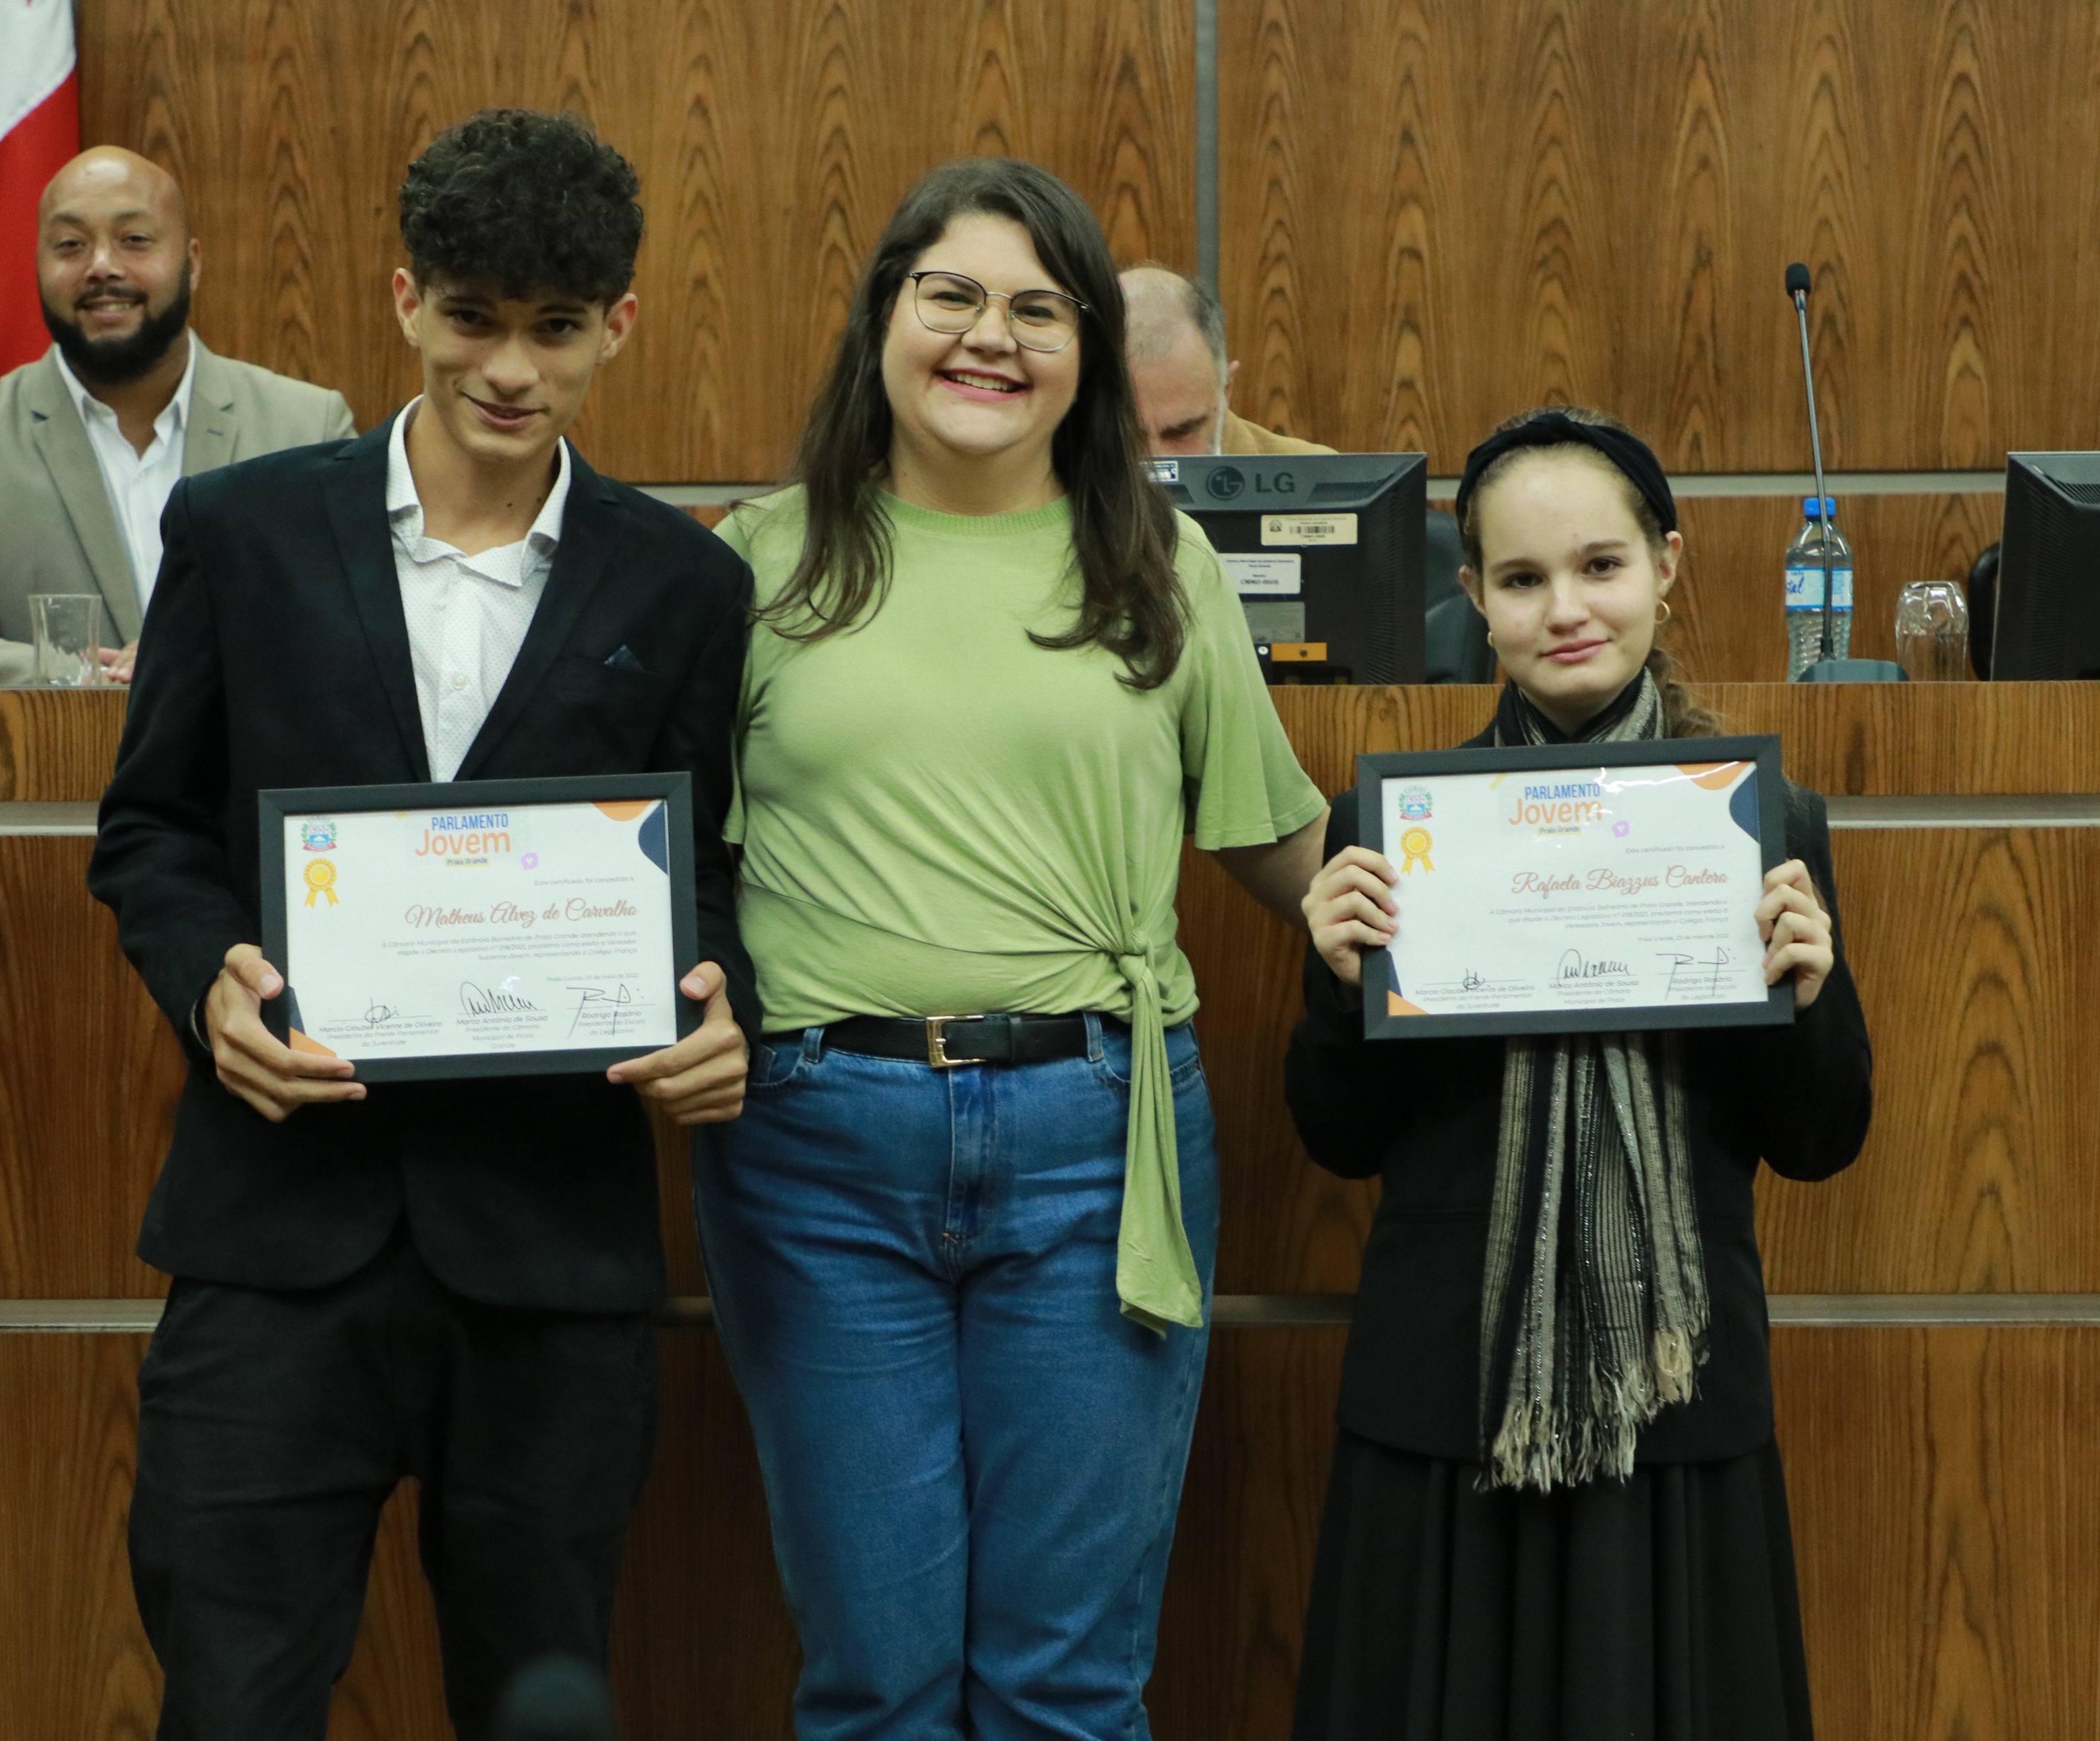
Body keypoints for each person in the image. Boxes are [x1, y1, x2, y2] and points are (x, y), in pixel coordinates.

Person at [86, 110, 755, 1740]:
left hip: (550, 1249)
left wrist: (721, 998)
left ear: (619, 325)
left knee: (537, 1702)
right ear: (405, 301)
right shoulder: (241, 531)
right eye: (472, 319)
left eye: (555, 328)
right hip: (274, 1232)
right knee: (232, 1699)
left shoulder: (682, 584)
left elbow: (710, 869)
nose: (510, 369)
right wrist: (209, 980)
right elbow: (153, 829)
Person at [697, 159, 1327, 1740]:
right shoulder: (753, 561)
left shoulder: (1160, 559)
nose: (992, 337)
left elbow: (1277, 842)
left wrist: (1520, 911)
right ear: (885, 319)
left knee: (1066, 1687)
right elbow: (662, 860)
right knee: (879, 1685)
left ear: (1087, 353)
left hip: (1097, 1147)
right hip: (816, 1154)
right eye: (953, 297)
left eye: (1039, 309)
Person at [1285, 407, 1872, 1740]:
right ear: (1473, 599)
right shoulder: (1395, 829)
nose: (1564, 609)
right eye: (1521, 577)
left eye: (1599, 566)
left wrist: (1805, 997)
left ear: (1665, 567)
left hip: (1669, 1399)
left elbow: (1820, 1139)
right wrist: (1333, 980)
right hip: (1450, 1400)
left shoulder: (1761, 825)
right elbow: (1337, 1138)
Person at [0, 147, 355, 686]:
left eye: (134, 240)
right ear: (38, 266)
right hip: (48, 741)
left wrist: (201, 663)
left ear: (192, 263)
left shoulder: (307, 429)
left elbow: (347, 626)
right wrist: (96, 676)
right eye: (70, 245)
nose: (102, 266)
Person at [1118, 262, 1331, 457]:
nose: (1156, 462)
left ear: (1226, 390)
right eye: (1125, 434)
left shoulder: (1322, 479)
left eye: (1183, 431)